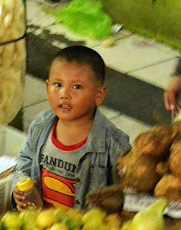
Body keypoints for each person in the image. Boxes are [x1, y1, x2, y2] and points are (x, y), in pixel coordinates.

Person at [12, 45, 131, 210]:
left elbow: (127, 195)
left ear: (98, 95)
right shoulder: (40, 126)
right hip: (40, 222)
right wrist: (20, 189)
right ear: (47, 88)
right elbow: (26, 160)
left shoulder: (115, 145)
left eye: (77, 87)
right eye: (58, 85)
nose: (64, 94)